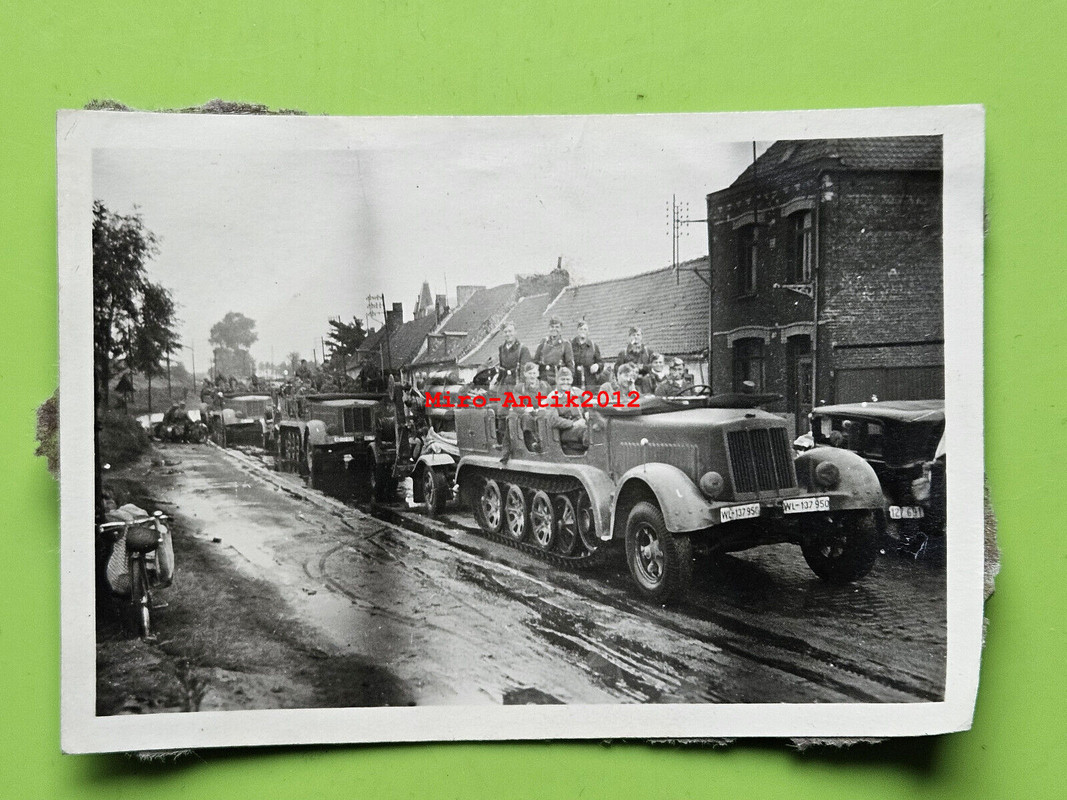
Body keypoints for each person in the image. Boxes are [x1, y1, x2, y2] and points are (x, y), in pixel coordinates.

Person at [548, 367, 588, 449]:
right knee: (588, 431)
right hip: (566, 431)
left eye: (568, 379)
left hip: (582, 425)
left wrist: (588, 414)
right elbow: (553, 420)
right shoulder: (552, 397)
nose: (565, 382)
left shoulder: (577, 392)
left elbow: (590, 404)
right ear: (557, 380)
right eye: (562, 379)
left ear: (572, 380)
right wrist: (573, 424)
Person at [533, 316, 574, 386]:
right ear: (549, 328)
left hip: (558, 381)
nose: (554, 329)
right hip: (543, 381)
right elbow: (535, 362)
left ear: (561, 328)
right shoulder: (543, 343)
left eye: (557, 327)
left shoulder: (566, 345)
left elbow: (570, 367)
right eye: (552, 327)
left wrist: (566, 382)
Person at [570, 320, 604, 389]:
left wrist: (597, 366)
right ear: (577, 331)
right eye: (581, 329)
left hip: (589, 383)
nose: (583, 331)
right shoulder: (570, 345)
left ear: (588, 332)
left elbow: (601, 362)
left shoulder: (593, 346)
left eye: (585, 329)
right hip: (574, 382)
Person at [496, 322, 531, 386]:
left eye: (510, 331)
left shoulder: (523, 349)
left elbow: (525, 372)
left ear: (515, 332)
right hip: (504, 384)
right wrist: (498, 381)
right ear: (502, 334)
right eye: (505, 332)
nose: (508, 334)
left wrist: (520, 387)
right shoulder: (501, 348)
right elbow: (501, 369)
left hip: (516, 384)